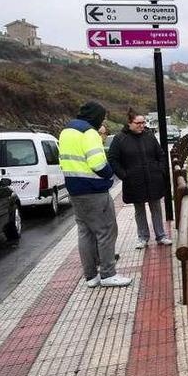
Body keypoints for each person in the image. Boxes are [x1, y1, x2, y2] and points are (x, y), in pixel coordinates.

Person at [59, 101, 132, 287]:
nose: (102, 121)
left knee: (85, 233)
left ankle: (91, 276)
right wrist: (109, 174)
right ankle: (108, 274)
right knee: (106, 230)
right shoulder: (88, 132)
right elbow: (97, 163)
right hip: (94, 190)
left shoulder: (67, 130)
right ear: (95, 116)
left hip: (74, 190)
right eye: (102, 117)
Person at [108, 108, 173, 249]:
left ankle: (161, 236)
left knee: (156, 207)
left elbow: (160, 154)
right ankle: (143, 237)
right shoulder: (120, 139)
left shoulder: (149, 136)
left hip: (153, 178)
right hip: (134, 181)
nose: (142, 126)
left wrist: (160, 169)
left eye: (143, 123)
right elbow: (113, 159)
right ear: (129, 123)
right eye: (138, 123)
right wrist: (124, 175)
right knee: (139, 210)